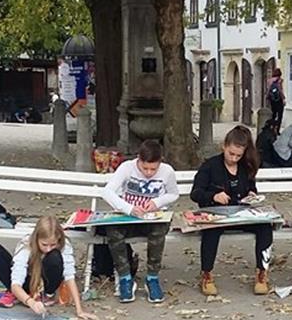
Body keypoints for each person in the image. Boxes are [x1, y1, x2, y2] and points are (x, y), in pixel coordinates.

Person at [190, 126, 274, 296]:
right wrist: (214, 196)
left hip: (241, 213)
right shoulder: (210, 166)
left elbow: (251, 187)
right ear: (224, 146)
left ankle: (261, 272)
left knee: (265, 226)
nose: (234, 158)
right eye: (231, 154)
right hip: (218, 214)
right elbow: (196, 193)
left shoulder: (245, 166)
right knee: (211, 231)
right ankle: (207, 274)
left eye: (238, 156)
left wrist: (252, 195)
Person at [102, 140, 179, 304]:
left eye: (153, 169)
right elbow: (107, 192)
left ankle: (152, 277)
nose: (149, 173)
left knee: (159, 230)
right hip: (129, 218)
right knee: (112, 230)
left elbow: (173, 194)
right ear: (138, 159)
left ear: (160, 162)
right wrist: (129, 208)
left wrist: (157, 202)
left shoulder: (167, 171)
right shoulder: (126, 168)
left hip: (153, 218)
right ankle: (125, 278)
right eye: (145, 168)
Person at [0, 216, 97, 320]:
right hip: (27, 281)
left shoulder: (64, 245)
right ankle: (20, 295)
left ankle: (46, 295)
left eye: (53, 245)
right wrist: (31, 302)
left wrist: (79, 310)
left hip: (46, 282)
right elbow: (16, 283)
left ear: (59, 240)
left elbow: (69, 277)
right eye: (44, 244)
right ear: (36, 239)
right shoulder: (26, 244)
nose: (48, 249)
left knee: (54, 256)